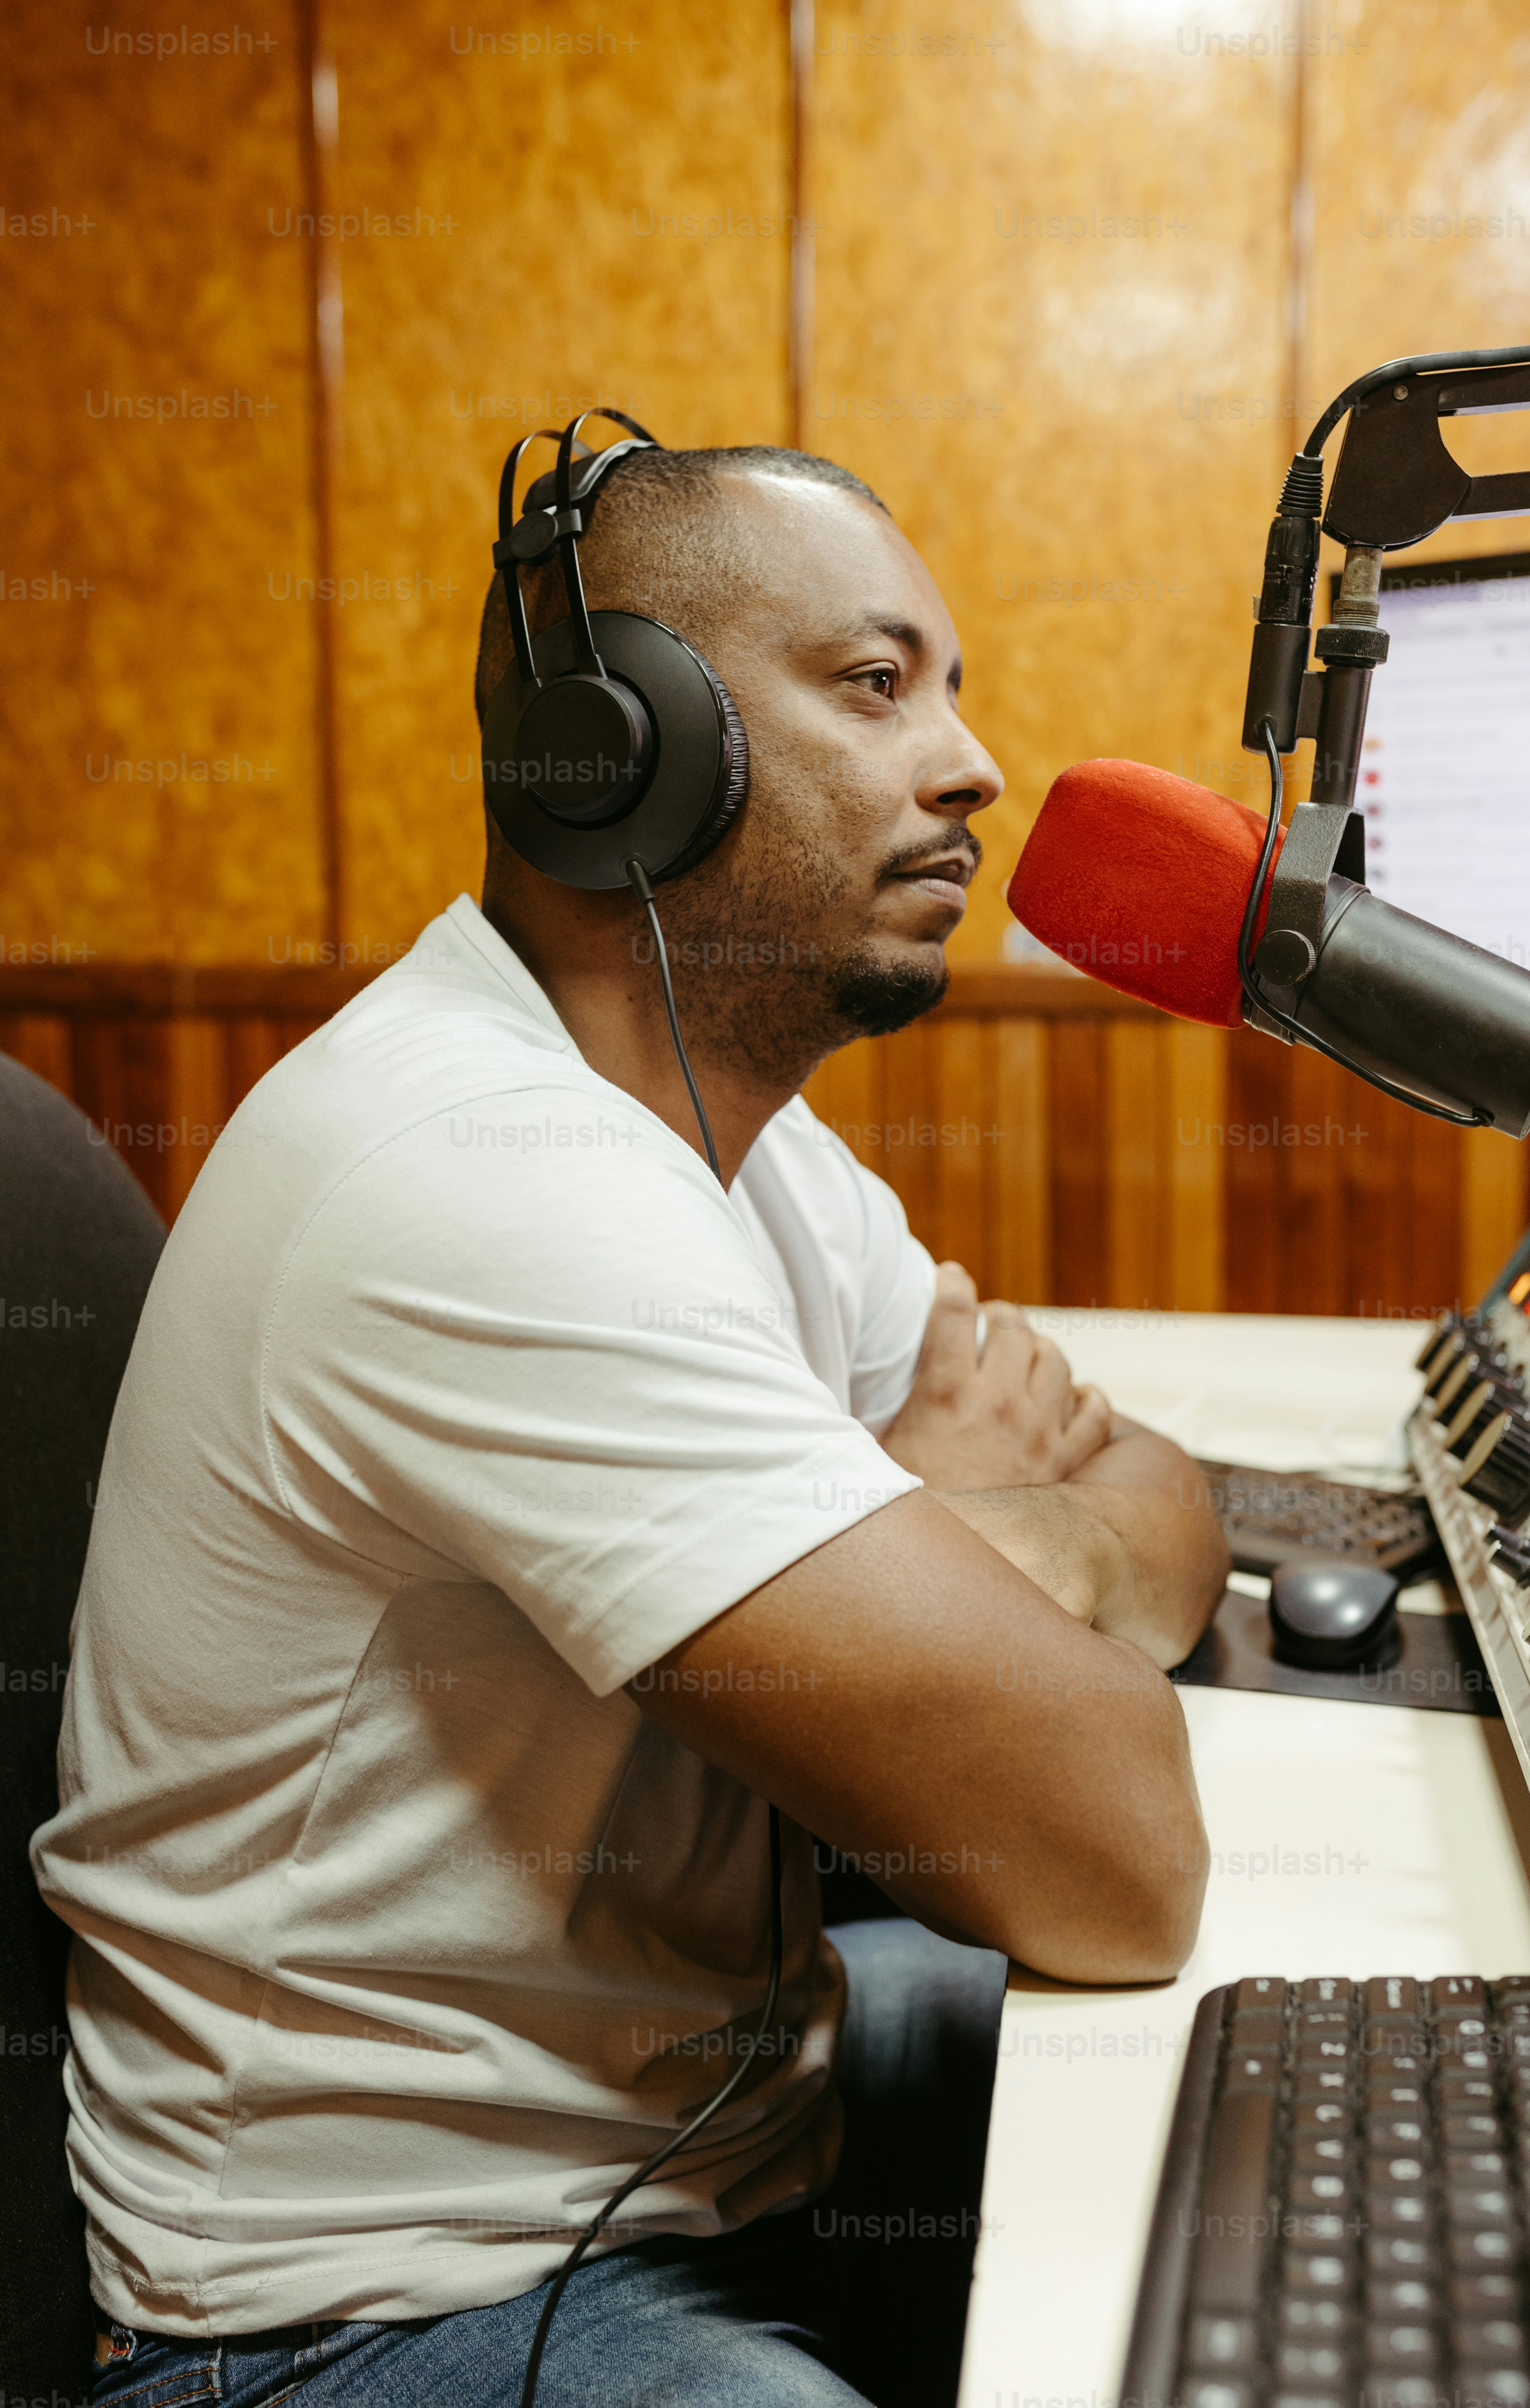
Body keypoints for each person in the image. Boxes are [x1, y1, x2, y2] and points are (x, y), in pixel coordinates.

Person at [35, 437, 1228, 2408]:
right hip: (368, 2312)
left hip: (713, 2135)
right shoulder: (485, 1179)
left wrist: (1027, 1549)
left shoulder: (742, 1149)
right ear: (623, 750)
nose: (976, 764)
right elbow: (1111, 1852)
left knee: (1276, 2112)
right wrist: (943, 1541)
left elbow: (1145, 1483)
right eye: (875, 685)